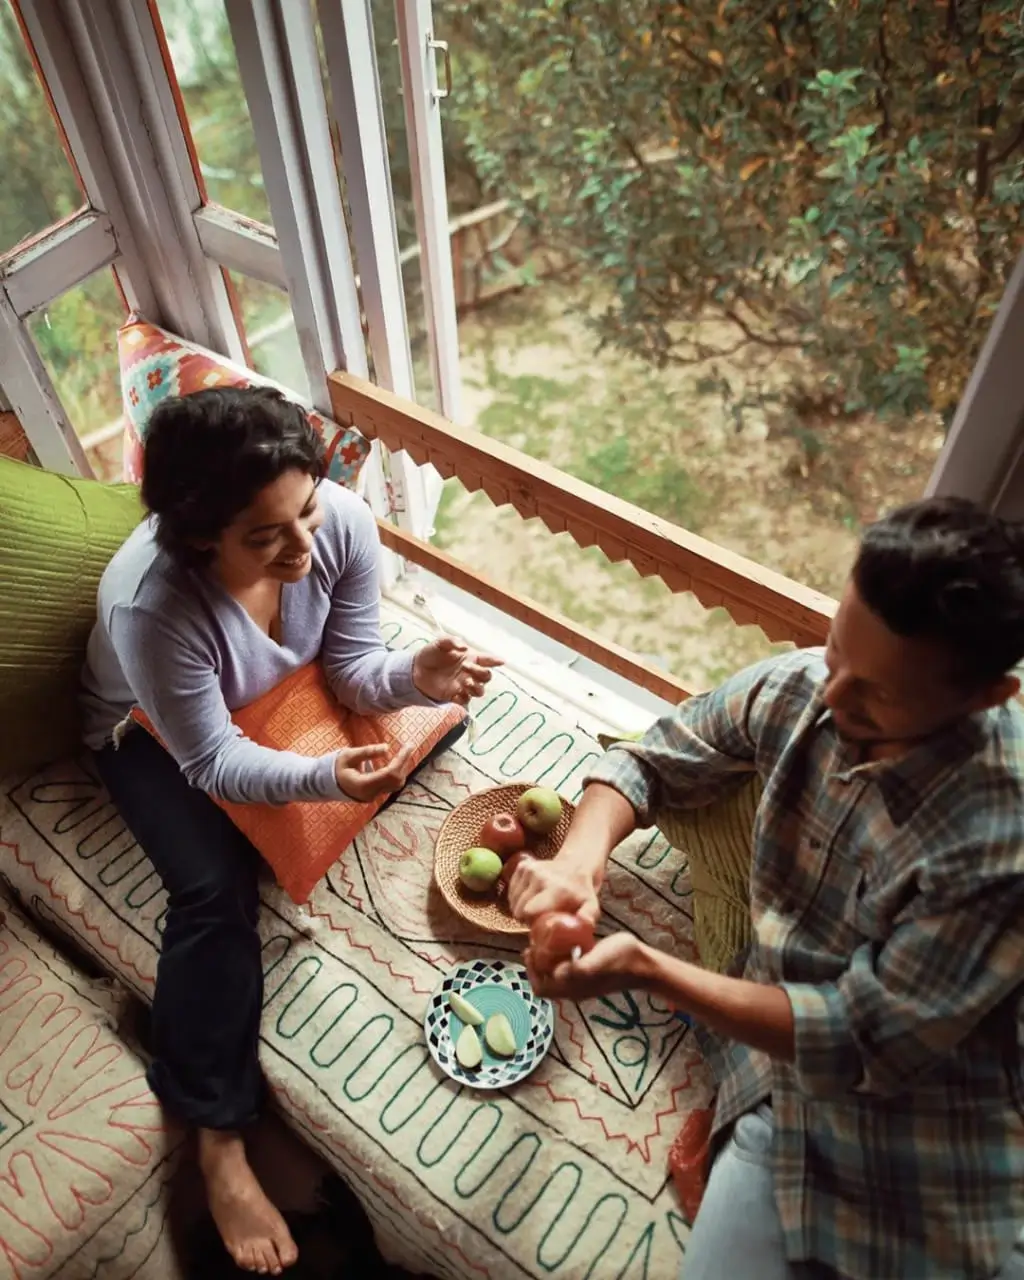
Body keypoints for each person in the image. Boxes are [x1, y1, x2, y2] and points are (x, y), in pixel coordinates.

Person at [509, 497, 1024, 1280]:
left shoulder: (1000, 841)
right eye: (834, 650)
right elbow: (651, 761)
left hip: (935, 1125)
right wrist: (579, 861)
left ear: (989, 699)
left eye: (876, 694)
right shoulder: (800, 689)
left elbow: (857, 1037)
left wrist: (647, 968)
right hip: (776, 1088)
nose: (831, 699)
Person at [80, 386, 500, 1276]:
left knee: (431, 730)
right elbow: (217, 765)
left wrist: (417, 675)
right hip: (144, 732)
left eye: (304, 510)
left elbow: (349, 671)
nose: (304, 548)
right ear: (200, 541)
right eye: (265, 538)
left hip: (260, 699)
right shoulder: (152, 610)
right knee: (214, 891)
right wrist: (318, 777)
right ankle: (219, 1140)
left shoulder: (337, 523)